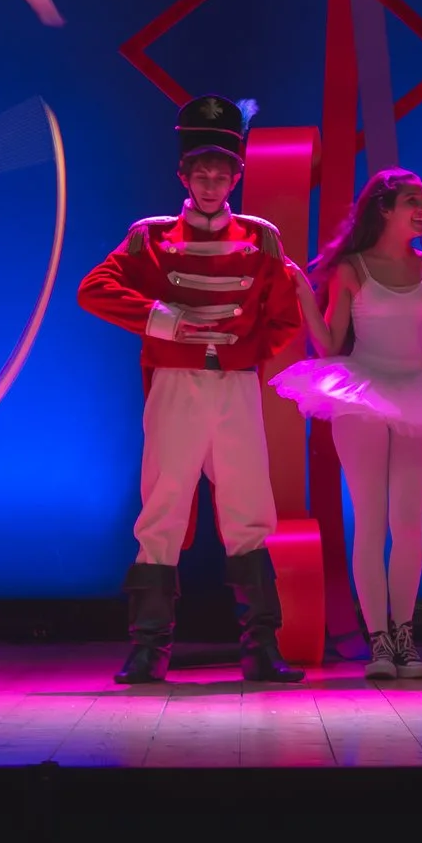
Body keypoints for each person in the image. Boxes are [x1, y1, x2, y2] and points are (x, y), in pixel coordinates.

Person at [76, 95, 307, 686]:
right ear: (184, 176)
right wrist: (161, 318)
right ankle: (148, 650)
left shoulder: (261, 240)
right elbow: (94, 289)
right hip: (176, 385)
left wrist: (243, 350)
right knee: (162, 508)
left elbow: (286, 317)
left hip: (234, 387)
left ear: (236, 177)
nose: (210, 184)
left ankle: (262, 649)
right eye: (200, 173)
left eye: (220, 174)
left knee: (249, 510)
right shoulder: (150, 238)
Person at [274, 169, 422, 682]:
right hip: (362, 394)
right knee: (371, 520)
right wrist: (304, 295)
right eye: (411, 201)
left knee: (407, 522)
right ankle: (378, 640)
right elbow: (330, 345)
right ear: (385, 208)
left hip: (414, 391)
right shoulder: (352, 268)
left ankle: (404, 635)